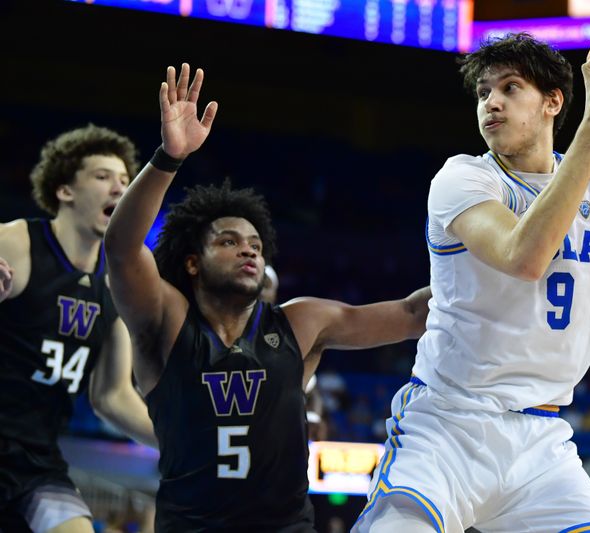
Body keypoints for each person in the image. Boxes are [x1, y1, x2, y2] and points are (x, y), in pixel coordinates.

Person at [354, 33, 590, 533]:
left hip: (542, 441)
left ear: (554, 101)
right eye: (484, 92)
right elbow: (523, 256)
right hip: (448, 424)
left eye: (510, 88)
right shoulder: (463, 178)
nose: (492, 102)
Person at [103, 63, 431, 532]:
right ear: (192, 262)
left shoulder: (300, 323)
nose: (248, 251)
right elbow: (120, 247)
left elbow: (412, 313)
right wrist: (168, 159)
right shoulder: (168, 320)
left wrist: (500, 264)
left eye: (256, 245)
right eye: (230, 242)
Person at [0, 125, 158, 533]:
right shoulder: (16, 242)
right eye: (103, 176)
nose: (119, 188)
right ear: (64, 191)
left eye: (125, 181)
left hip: (37, 460)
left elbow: (112, 395)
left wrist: (181, 441)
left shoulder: (114, 285)